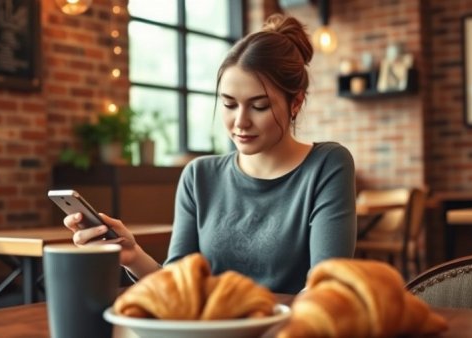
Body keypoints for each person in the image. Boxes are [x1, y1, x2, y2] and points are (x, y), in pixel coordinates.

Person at [63, 13, 356, 294]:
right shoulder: (199, 175)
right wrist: (131, 255)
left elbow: (326, 285)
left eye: (259, 106)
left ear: (296, 103)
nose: (240, 121)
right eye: (229, 104)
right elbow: (179, 284)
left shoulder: (326, 165)